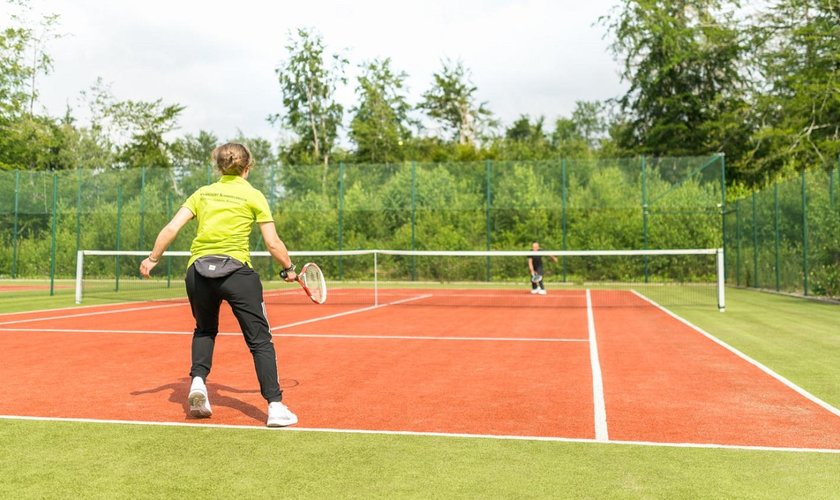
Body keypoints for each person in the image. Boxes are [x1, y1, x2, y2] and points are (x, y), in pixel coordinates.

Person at [139, 143, 298, 427]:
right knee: (260, 341)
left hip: (198, 274)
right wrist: (288, 268)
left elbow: (172, 228)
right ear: (247, 168)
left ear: (219, 166)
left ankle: (198, 383)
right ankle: (275, 406)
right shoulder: (253, 195)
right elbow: (273, 243)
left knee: (205, 329)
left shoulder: (203, 193)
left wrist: (152, 259)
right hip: (237, 274)